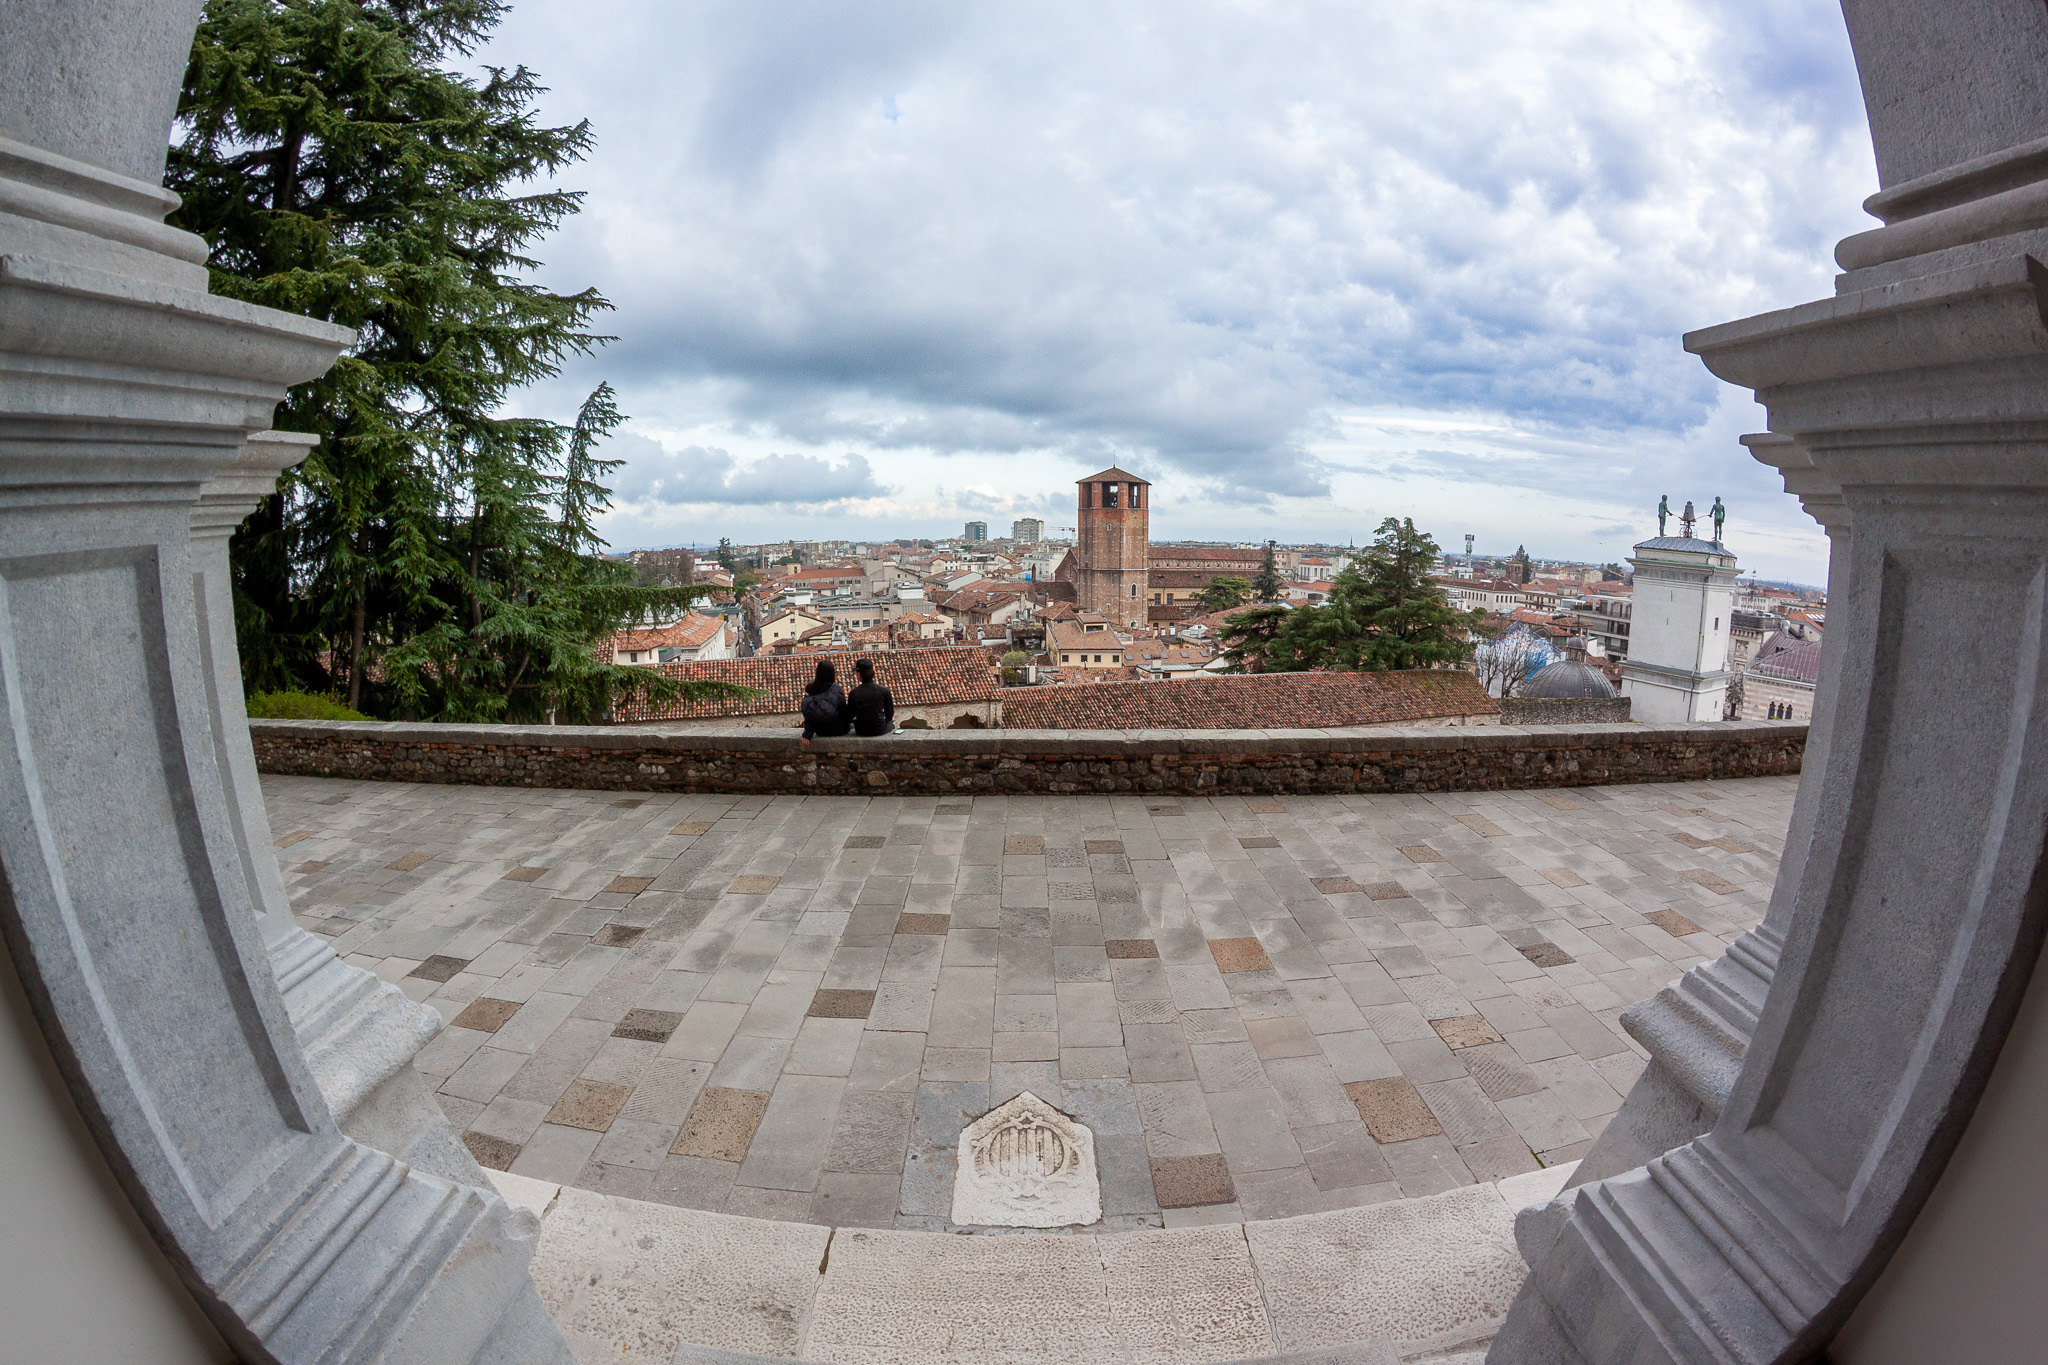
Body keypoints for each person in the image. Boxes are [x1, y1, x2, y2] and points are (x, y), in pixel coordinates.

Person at [799, 660, 850, 742]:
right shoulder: (837, 690)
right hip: (839, 730)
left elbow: (811, 714)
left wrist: (807, 735)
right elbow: (843, 711)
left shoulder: (811, 689)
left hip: (820, 730)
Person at [846, 657, 896, 737]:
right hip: (879, 729)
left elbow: (850, 716)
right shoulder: (884, 691)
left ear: (859, 674)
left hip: (861, 730)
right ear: (874, 672)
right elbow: (890, 715)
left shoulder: (854, 693)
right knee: (891, 724)